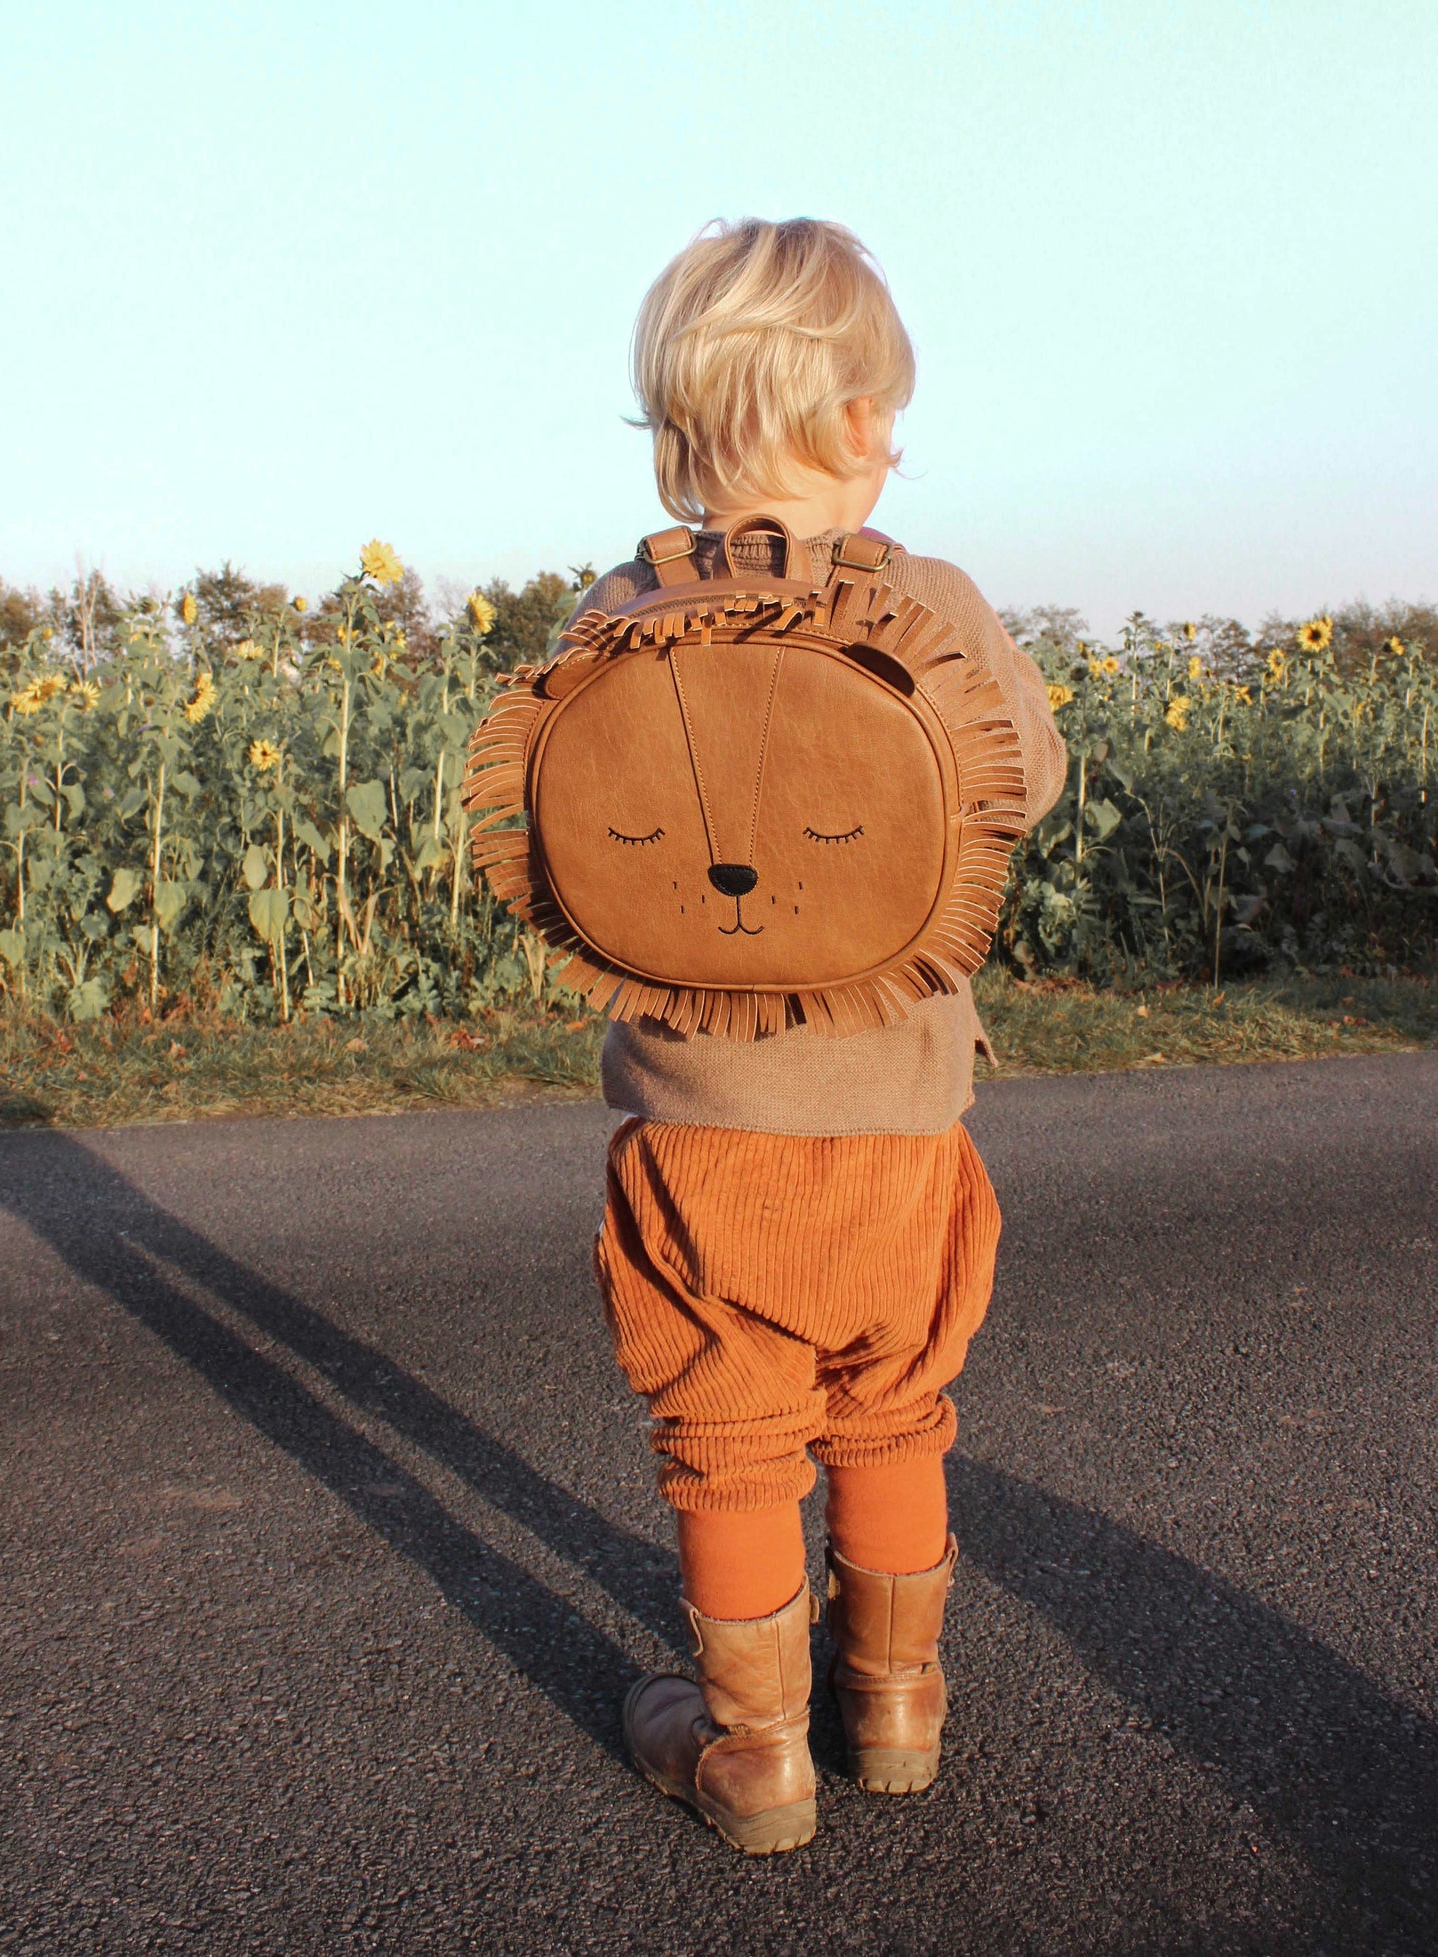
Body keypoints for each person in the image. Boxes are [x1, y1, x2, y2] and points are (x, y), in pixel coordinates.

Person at [579, 218, 1067, 1854]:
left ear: (675, 436)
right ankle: (898, 1707)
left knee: (728, 1435)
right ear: (860, 427)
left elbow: (566, 834)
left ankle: (758, 1752)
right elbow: (1030, 783)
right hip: (902, 1126)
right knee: (891, 1409)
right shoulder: (929, 603)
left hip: (702, 1126)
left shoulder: (623, 608)